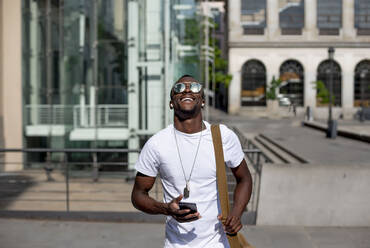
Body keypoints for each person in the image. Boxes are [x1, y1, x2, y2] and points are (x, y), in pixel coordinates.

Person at [131, 75, 253, 247]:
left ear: (202, 101)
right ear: (171, 103)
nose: (187, 89)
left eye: (195, 87)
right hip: (176, 244)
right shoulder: (156, 144)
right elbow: (137, 195)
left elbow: (244, 178)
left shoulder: (222, 136)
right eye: (179, 88)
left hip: (218, 243)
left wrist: (237, 213)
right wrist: (165, 208)